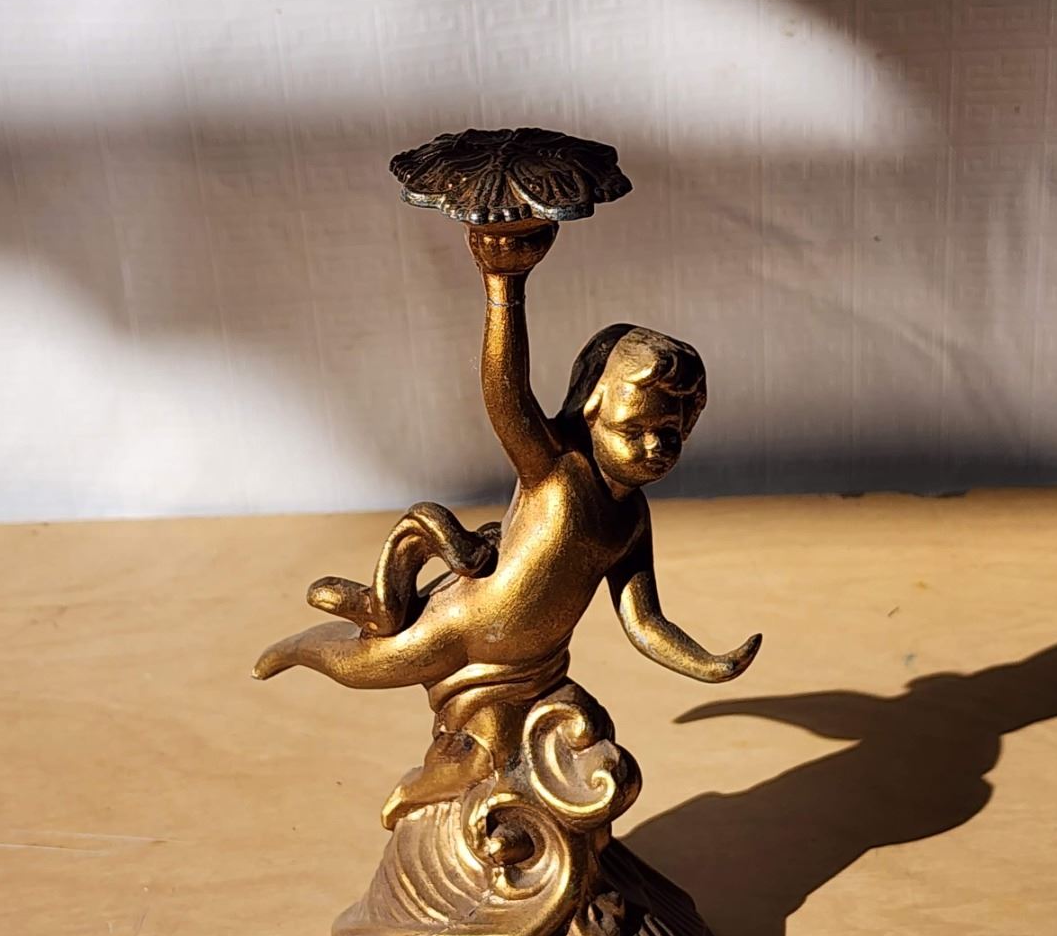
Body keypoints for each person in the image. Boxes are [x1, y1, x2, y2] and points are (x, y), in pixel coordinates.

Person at [252, 219, 759, 694]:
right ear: (591, 410)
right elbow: (507, 395)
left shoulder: (632, 521)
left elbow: (644, 621)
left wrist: (708, 665)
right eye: (633, 429)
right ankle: (314, 637)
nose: (655, 447)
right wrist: (504, 284)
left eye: (670, 433)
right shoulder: (556, 469)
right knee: (358, 665)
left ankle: (366, 610)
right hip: (454, 630)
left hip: (533, 665)